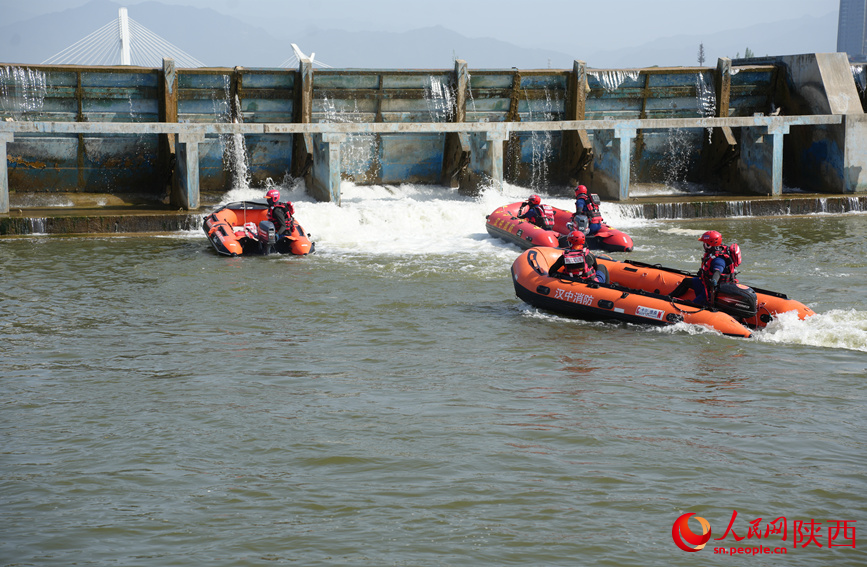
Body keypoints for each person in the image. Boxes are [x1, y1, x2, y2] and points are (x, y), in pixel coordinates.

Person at [670, 230, 742, 306]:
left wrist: (714, 280)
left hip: (713, 290)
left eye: (704, 243)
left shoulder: (718, 259)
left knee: (693, 304)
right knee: (686, 282)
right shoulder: (714, 251)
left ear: (709, 244)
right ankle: (669, 297)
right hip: (705, 283)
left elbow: (718, 271)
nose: (703, 245)